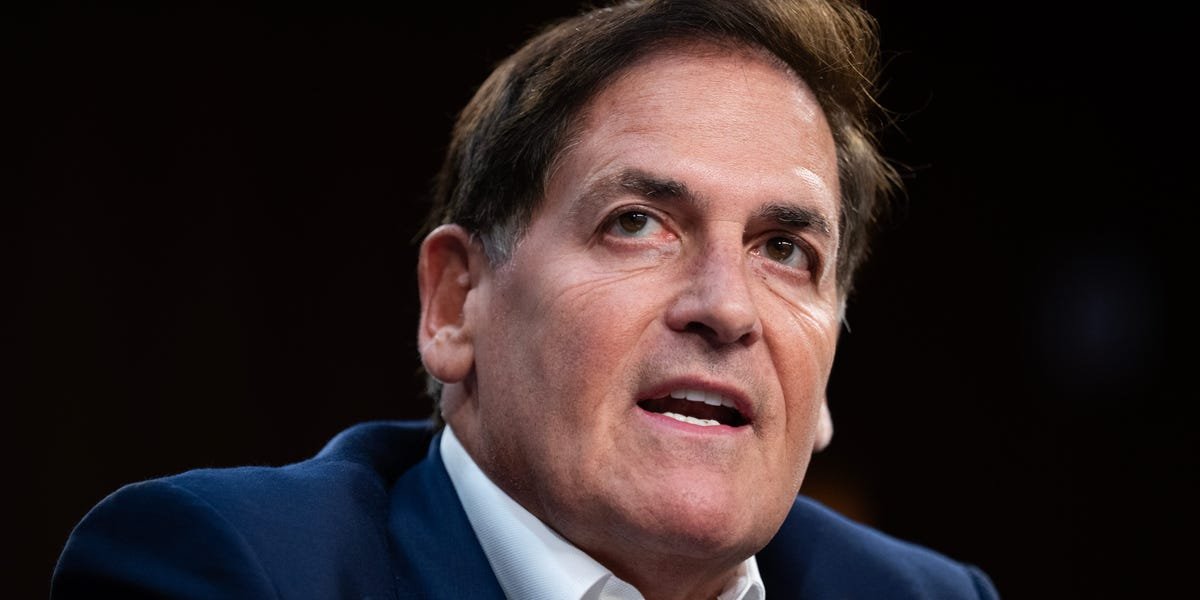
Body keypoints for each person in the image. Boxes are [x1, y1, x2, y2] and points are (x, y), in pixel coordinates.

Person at [51, 0, 1000, 598]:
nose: (727, 308)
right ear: (455, 304)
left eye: (785, 251)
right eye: (638, 223)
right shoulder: (228, 570)